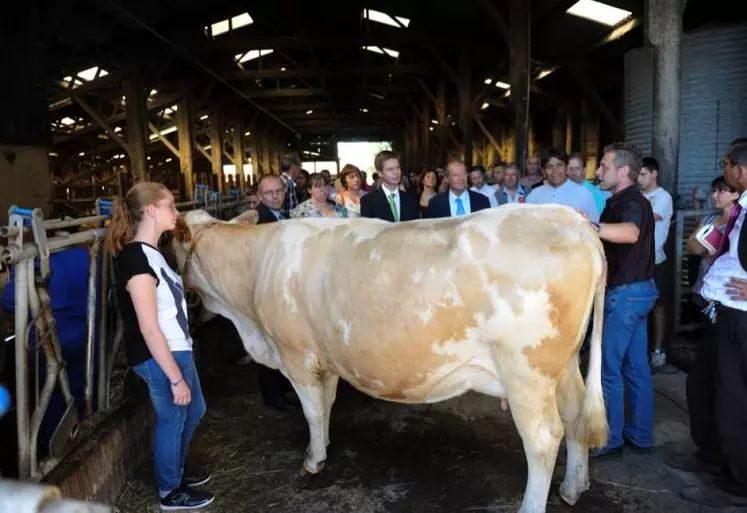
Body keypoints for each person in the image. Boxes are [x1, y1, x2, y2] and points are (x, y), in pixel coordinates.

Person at [108, 182, 213, 510]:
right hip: (159, 355)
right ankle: (170, 491)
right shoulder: (134, 258)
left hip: (177, 348)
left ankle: (176, 471)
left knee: (194, 411)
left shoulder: (155, 254)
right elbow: (149, 327)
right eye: (170, 205)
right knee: (172, 419)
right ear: (151, 210)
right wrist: (175, 377)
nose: (176, 212)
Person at [590, 143, 658, 458]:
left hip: (626, 293)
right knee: (636, 368)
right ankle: (640, 436)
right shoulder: (626, 201)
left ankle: (610, 438)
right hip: (640, 290)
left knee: (609, 368)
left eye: (604, 165)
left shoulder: (630, 202)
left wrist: (590, 225)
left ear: (623, 171)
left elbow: (630, 233)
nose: (598, 171)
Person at [360, 150, 420, 222]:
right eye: (390, 169)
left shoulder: (412, 199)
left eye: (398, 168)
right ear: (380, 173)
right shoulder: (368, 201)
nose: (396, 172)